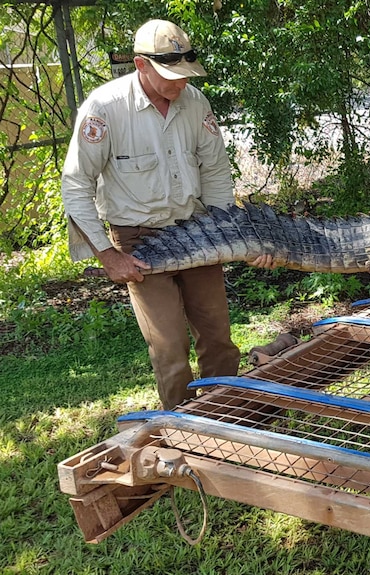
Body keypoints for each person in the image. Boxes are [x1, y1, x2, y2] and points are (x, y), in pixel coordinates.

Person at [61, 19, 273, 409]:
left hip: (198, 232)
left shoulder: (195, 102)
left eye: (185, 75)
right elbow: (76, 186)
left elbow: (215, 172)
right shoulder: (104, 109)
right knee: (170, 350)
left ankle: (229, 417)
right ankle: (182, 433)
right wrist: (108, 256)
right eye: (170, 76)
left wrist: (232, 235)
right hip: (140, 242)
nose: (180, 84)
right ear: (141, 65)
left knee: (219, 338)